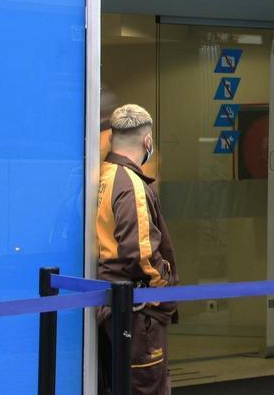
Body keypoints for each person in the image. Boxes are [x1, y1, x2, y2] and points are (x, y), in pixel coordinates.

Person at [96, 104, 178, 395]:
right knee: (148, 387)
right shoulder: (131, 185)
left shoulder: (102, 177)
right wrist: (165, 294)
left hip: (112, 304)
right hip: (138, 310)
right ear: (147, 141)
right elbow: (141, 255)